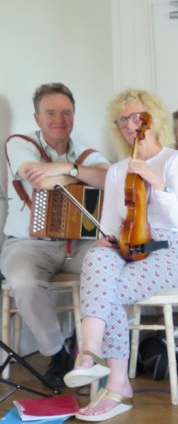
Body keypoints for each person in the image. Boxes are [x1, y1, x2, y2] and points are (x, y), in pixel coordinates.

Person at [63, 89, 178, 422]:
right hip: (129, 246)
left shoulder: (174, 160)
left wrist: (156, 182)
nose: (129, 124)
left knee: (107, 291)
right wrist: (107, 241)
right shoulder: (117, 170)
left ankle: (117, 382)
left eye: (136, 116)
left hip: (175, 248)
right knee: (96, 260)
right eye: (122, 119)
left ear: (152, 119)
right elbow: (110, 224)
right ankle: (90, 352)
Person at [0, 83, 109, 389]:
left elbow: (109, 177)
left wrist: (69, 168)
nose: (59, 119)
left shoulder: (84, 150)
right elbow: (38, 178)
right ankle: (57, 352)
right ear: (37, 117)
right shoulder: (18, 143)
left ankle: (93, 346)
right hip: (28, 245)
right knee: (22, 281)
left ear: (74, 116)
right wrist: (77, 172)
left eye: (66, 112)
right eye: (51, 112)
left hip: (79, 245)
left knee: (115, 263)